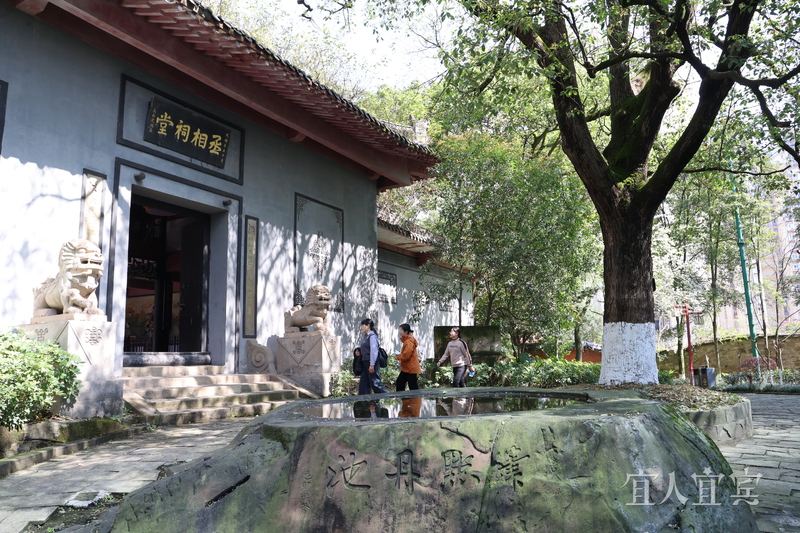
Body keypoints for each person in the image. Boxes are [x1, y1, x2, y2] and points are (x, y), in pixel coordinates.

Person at [358, 318, 387, 395]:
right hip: (365, 362)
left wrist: (372, 364)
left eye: (363, 325)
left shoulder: (372, 336)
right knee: (364, 383)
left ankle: (387, 396)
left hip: (371, 362)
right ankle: (363, 400)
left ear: (368, 326)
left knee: (375, 382)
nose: (361, 327)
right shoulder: (366, 336)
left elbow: (374, 351)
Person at [395, 323, 421, 391]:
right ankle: (403, 396)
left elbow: (406, 356)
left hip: (410, 368)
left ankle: (414, 397)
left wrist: (398, 356)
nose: (399, 332)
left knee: (411, 386)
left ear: (406, 332)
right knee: (402, 383)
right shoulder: (408, 341)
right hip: (408, 367)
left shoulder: (409, 342)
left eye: (401, 330)